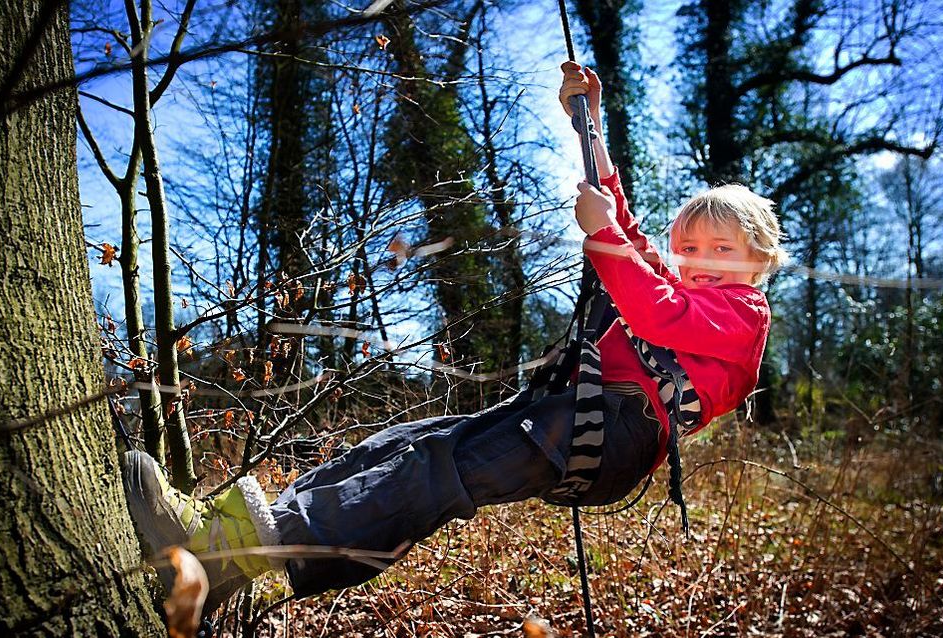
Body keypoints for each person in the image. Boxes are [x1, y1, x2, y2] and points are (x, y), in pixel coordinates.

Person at [122, 61, 788, 614]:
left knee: (434, 472)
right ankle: (225, 560)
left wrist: (603, 235)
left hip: (612, 433)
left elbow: (653, 309)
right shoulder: (687, 284)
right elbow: (630, 234)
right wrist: (590, 125)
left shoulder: (743, 312)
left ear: (757, 260)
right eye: (689, 245)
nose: (699, 257)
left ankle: (223, 553)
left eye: (721, 246)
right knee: (406, 445)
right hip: (575, 416)